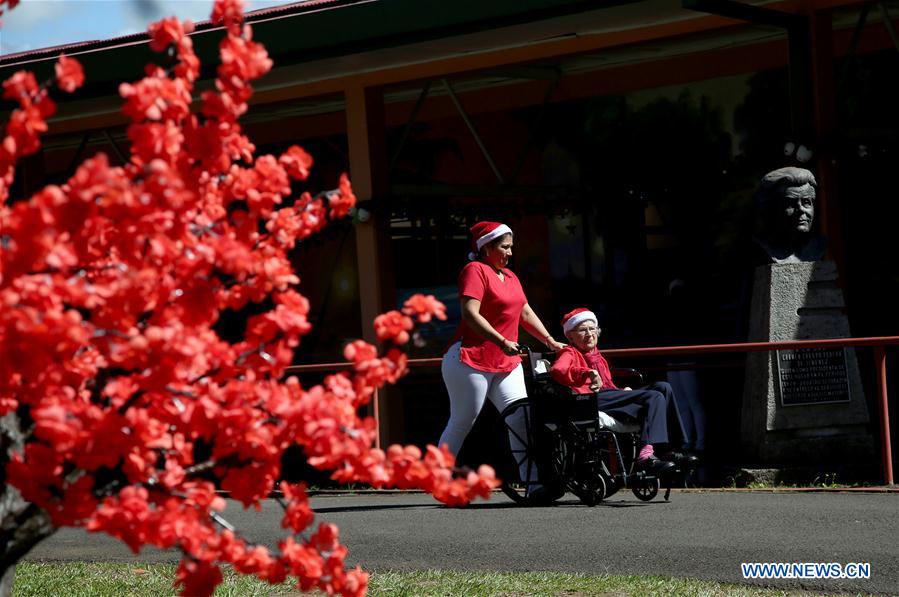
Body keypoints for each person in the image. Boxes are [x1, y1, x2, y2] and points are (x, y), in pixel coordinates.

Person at [438, 221, 565, 496]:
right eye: (504, 247)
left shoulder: (511, 277)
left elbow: (525, 312)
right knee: (463, 419)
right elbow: (470, 313)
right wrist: (503, 341)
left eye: (511, 247)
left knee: (521, 419)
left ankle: (533, 484)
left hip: (505, 361)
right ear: (487, 248)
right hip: (470, 358)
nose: (510, 253)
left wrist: (550, 340)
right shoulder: (475, 270)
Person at [550, 308, 697, 473]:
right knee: (654, 397)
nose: (590, 334)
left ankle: (670, 447)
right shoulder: (569, 352)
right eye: (583, 330)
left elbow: (608, 385)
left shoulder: (596, 355)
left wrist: (621, 390)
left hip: (608, 395)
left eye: (592, 329)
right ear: (570, 335)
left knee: (664, 387)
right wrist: (587, 372)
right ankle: (650, 454)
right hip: (590, 399)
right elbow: (557, 370)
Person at [752, 166, 826, 264]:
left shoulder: (818, 246)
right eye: (790, 203)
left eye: (806, 202)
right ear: (771, 210)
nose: (801, 209)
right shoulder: (760, 247)